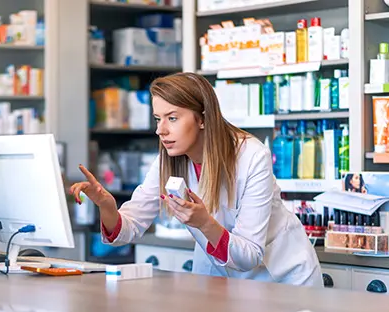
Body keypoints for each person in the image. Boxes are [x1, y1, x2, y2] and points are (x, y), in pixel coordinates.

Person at [70, 72, 323, 287]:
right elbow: (129, 227)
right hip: (222, 279)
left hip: (281, 279)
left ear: (202, 118)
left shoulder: (252, 156)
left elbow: (250, 255)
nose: (161, 130)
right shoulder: (168, 160)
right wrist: (106, 205)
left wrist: (204, 223)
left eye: (172, 118)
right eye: (158, 119)